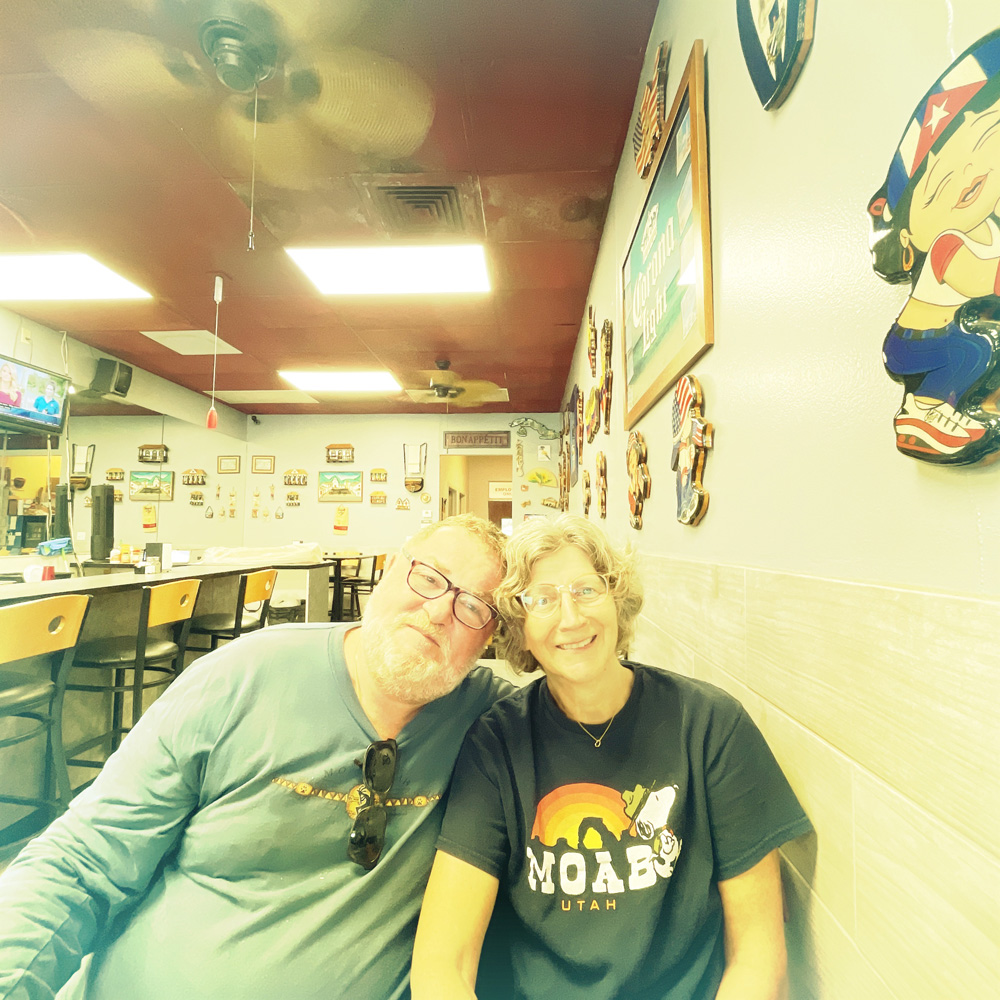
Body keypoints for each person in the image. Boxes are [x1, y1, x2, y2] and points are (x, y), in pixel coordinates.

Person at [0, 514, 510, 1000]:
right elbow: (83, 862)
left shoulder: (497, 727)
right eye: (429, 578)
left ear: (491, 636)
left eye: (473, 607)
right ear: (390, 570)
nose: (440, 612)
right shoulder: (241, 676)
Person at [412, 515, 812, 1000]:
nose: (571, 618)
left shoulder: (710, 726)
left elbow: (758, 955)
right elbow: (443, 964)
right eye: (542, 599)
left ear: (617, 600)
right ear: (520, 628)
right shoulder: (496, 744)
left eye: (586, 590)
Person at [868, 28, 1000, 464]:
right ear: (908, 238)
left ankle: (930, 409)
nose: (968, 174)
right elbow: (977, 278)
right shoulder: (947, 242)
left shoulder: (990, 225)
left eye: (986, 141)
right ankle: (922, 411)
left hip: (941, 335)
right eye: (938, 186)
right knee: (976, 350)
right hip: (914, 342)